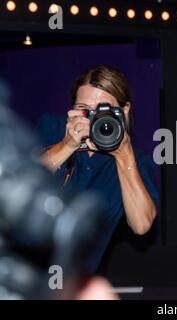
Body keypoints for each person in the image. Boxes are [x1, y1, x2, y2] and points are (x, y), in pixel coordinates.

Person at [36, 65, 158, 273]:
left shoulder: (134, 160)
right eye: (85, 110)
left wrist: (123, 155)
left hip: (75, 284)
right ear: (73, 108)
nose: (94, 118)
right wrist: (67, 145)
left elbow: (141, 225)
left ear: (124, 111)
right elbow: (19, 181)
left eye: (104, 109)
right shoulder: (52, 129)